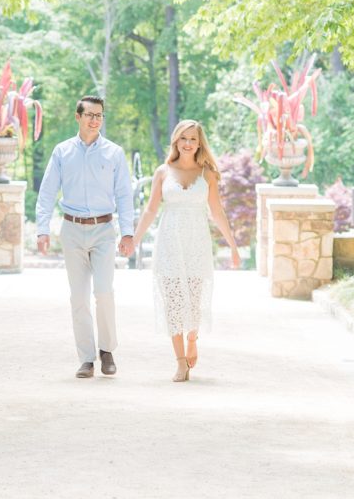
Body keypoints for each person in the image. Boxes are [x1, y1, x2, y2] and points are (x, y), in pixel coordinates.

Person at [132, 120, 239, 382]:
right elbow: (150, 210)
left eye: (193, 139)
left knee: (193, 298)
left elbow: (217, 211)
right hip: (169, 241)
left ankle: (193, 338)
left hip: (196, 243)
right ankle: (180, 361)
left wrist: (233, 246)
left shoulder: (208, 174)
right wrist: (134, 241)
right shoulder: (162, 172)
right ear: (176, 142)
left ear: (199, 143)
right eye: (183, 139)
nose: (188, 143)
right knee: (173, 303)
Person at [36, 95, 135, 379]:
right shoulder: (62, 152)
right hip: (72, 230)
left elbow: (124, 195)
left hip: (104, 230)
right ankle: (87, 358)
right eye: (89, 114)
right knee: (78, 297)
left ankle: (107, 350)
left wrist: (127, 233)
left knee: (103, 292)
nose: (95, 120)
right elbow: (46, 192)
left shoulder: (114, 153)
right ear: (77, 116)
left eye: (99, 115)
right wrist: (42, 229)